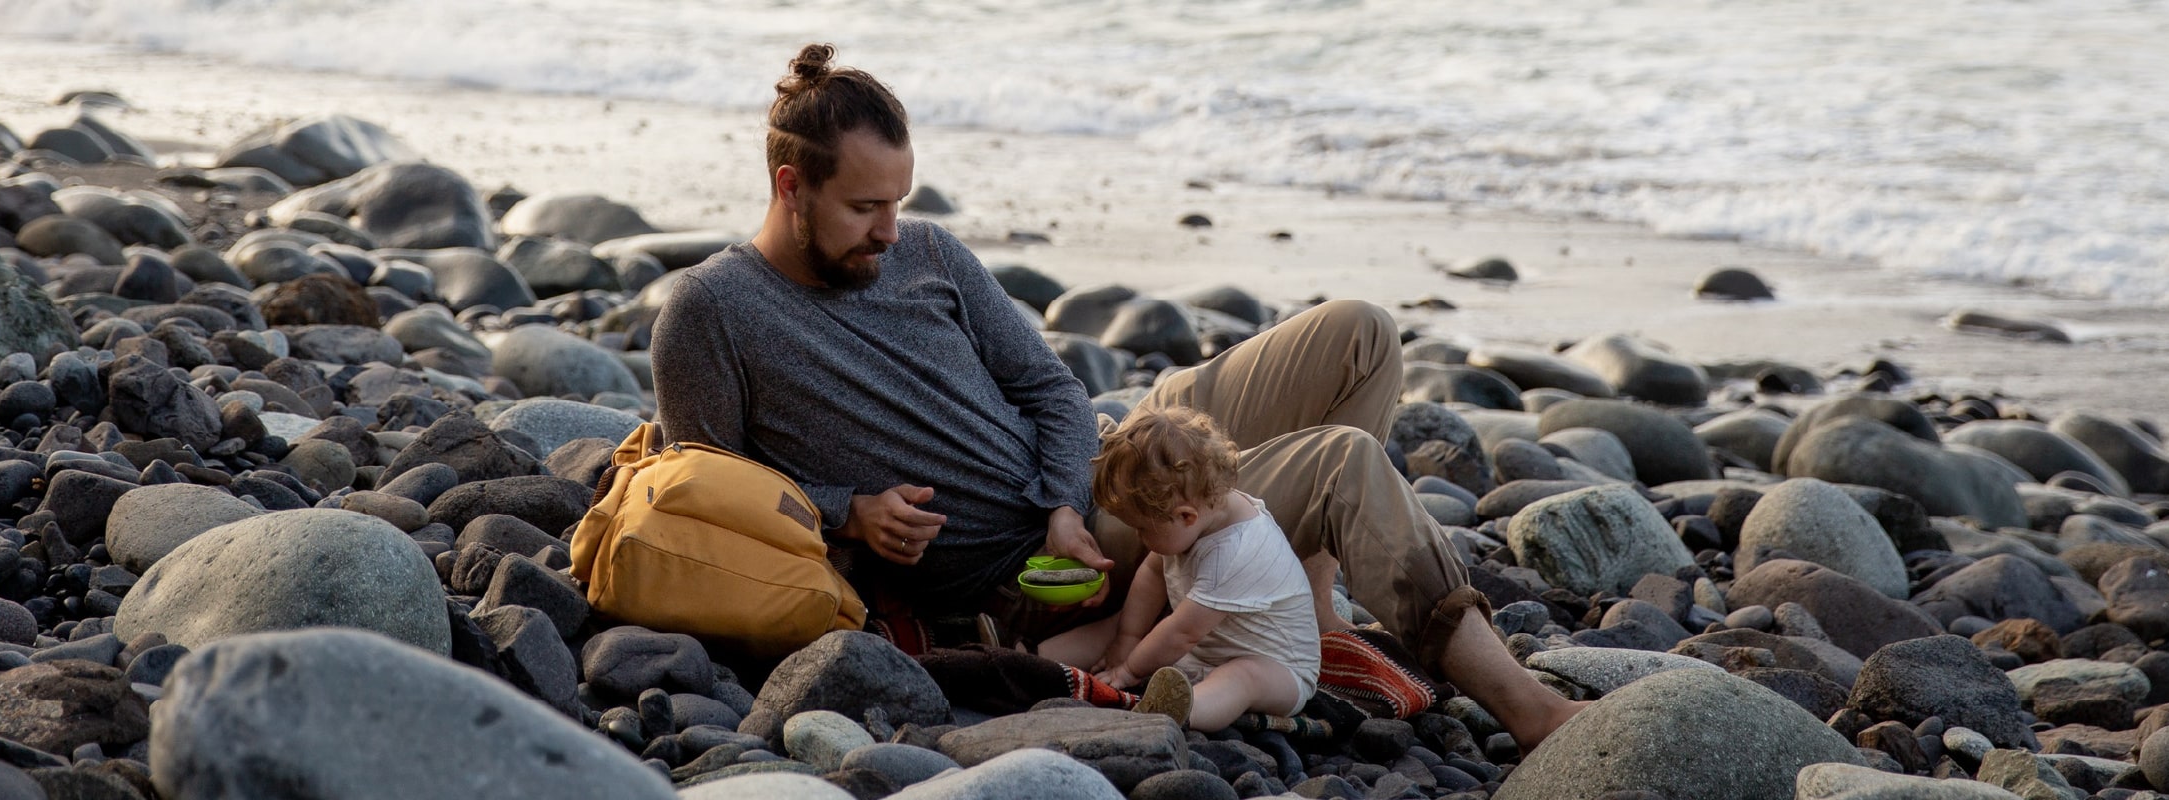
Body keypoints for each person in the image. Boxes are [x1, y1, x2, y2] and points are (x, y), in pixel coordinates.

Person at [649, 43, 1582, 749]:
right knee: (1340, 464)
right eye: (865, 209)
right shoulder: (712, 314)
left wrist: (1062, 501)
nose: (891, 231)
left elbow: (1051, 386)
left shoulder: (928, 251)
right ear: (791, 187)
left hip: (1099, 474)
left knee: (1361, 334)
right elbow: (705, 496)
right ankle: (1526, 707)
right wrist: (849, 514)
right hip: (1029, 563)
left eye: (900, 202)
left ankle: (1305, 604)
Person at [1047, 407, 1329, 731]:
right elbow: (1152, 575)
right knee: (1119, 624)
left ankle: (1178, 711)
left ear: (1185, 516)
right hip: (1204, 649)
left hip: (1280, 668)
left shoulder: (1236, 551)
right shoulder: (1197, 516)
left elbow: (1184, 633)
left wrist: (1128, 671)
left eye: (1141, 529)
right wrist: (1128, 638)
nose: (1139, 538)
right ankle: (1028, 655)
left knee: (1242, 677)